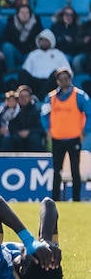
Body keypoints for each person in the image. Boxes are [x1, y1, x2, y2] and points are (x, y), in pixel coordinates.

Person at [41, 67, 91, 202]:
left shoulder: (80, 95)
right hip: (57, 138)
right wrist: (47, 129)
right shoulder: (50, 97)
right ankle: (54, 199)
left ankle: (76, 199)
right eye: (61, 79)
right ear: (57, 81)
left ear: (70, 79)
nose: (64, 81)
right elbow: (44, 114)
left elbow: (89, 113)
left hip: (74, 138)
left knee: (75, 170)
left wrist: (85, 132)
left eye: (66, 78)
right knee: (57, 170)